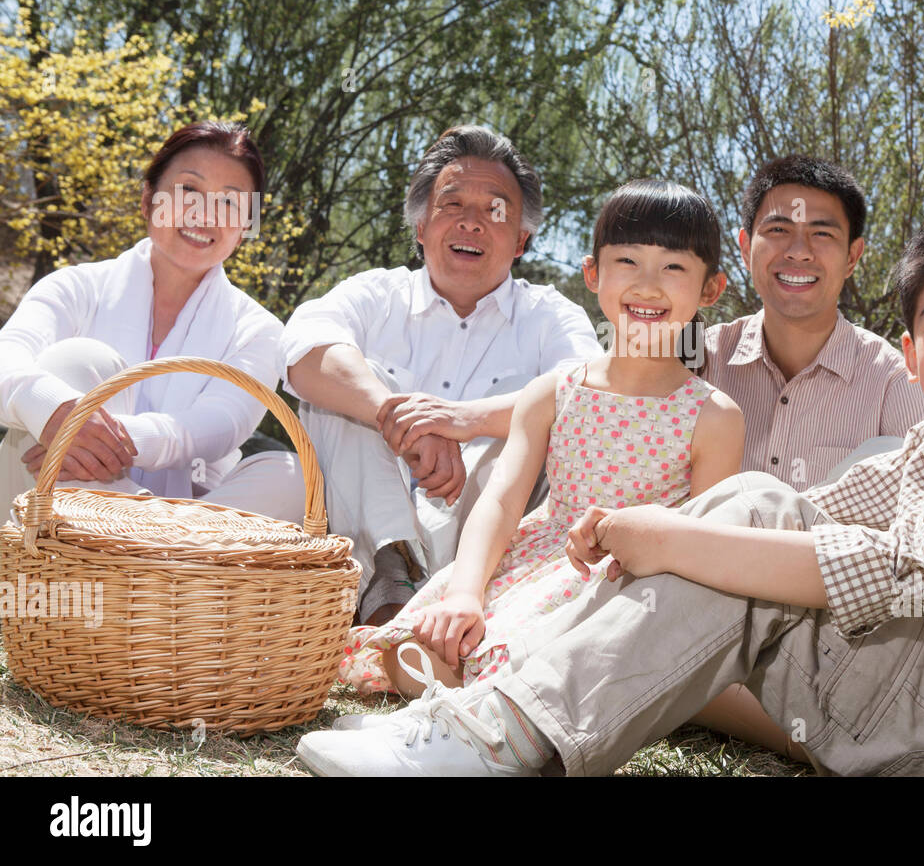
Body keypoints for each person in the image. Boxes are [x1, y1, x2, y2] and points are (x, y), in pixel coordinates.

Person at [295, 208, 924, 777]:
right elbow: (810, 513)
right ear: (913, 350)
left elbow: (900, 572)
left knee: (742, 521)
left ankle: (496, 738)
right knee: (756, 503)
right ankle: (495, 723)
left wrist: (665, 539)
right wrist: (643, 525)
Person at [333, 179, 742, 696]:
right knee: (416, 654)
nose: (647, 285)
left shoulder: (713, 415)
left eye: (674, 267)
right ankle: (520, 687)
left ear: (710, 289)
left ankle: (549, 691)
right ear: (592, 274)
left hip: (630, 584)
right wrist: (465, 591)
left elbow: (703, 548)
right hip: (533, 565)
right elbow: (502, 502)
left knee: (537, 662)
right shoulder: (553, 392)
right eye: (628, 262)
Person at [281, 125, 601, 625]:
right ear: (420, 228)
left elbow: (585, 394)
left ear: (522, 240)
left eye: (495, 210)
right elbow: (303, 351)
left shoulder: (551, 315)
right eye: (451, 205)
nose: (471, 223)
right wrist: (398, 416)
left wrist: (463, 420)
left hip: (489, 543)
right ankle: (392, 588)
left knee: (534, 411)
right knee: (346, 393)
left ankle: (469, 598)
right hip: (371, 526)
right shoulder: (376, 294)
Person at [0, 121, 303, 521]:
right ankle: (146, 538)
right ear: (148, 200)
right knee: (76, 360)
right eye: (189, 190)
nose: (205, 214)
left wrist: (106, 440)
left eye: (230, 202)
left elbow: (217, 427)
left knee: (290, 476)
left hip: (177, 522)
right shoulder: (75, 287)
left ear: (246, 226)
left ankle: (144, 533)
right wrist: (54, 410)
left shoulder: (258, 330)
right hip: (37, 512)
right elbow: (8, 358)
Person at [702, 155, 924, 490]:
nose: (799, 251)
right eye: (778, 229)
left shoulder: (891, 382)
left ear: (852, 257)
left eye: (822, 233)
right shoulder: (697, 359)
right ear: (745, 247)